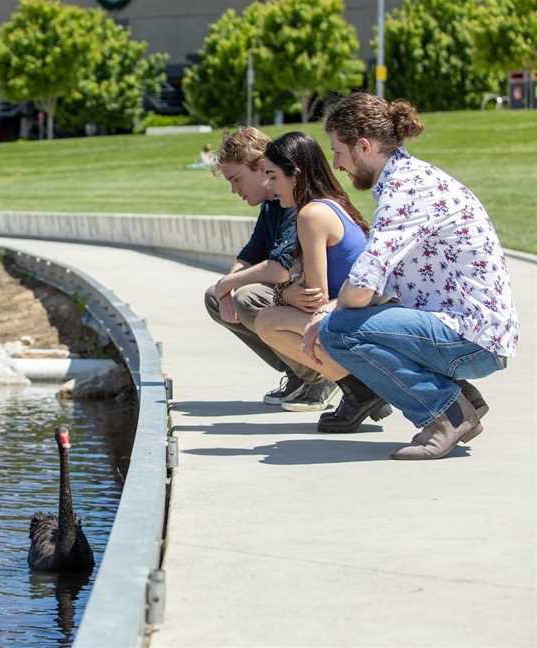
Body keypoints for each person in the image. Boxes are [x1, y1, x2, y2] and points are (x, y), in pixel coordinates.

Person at [305, 92, 519, 459]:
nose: (337, 164)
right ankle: (463, 400)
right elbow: (377, 285)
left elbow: (361, 289)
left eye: (338, 152)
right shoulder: (410, 180)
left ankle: (445, 414)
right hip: (474, 330)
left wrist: (325, 314)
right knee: (341, 322)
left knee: (339, 330)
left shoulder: (406, 190)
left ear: (364, 146)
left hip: (472, 335)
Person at [253, 132, 390, 418]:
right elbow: (300, 285)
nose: (269, 185)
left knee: (267, 321)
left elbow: (315, 298)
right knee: (272, 314)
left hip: (359, 320)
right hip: (364, 312)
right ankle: (360, 389)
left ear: (295, 173)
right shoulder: (329, 203)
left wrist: (285, 292)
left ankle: (362, 388)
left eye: (273, 175)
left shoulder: (312, 215)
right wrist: (288, 290)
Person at [205, 127, 330, 407]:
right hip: (292, 294)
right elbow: (251, 253)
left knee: (245, 298)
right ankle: (296, 372)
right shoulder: (271, 205)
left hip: (320, 301)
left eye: (237, 179)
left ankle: (320, 376)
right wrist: (225, 285)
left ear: (262, 168)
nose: (234, 190)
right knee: (216, 298)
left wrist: (230, 284)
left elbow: (279, 270)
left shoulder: (296, 202)